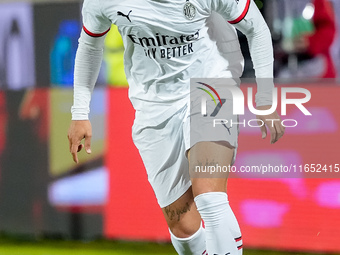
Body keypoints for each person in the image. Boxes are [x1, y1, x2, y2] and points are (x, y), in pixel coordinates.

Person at [67, 0, 285, 254]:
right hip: (153, 106)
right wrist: (80, 112)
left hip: (211, 85)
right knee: (183, 226)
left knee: (209, 197)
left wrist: (265, 98)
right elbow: (90, 44)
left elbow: (256, 28)